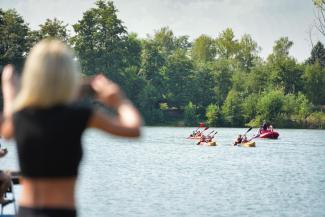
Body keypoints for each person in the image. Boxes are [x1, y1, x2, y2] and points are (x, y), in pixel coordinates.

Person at [0, 39, 142, 217]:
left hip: (27, 211)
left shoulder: (20, 116)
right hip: (63, 212)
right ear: (69, 76)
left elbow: (6, 131)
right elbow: (133, 129)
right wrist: (119, 100)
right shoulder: (80, 114)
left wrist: (9, 91)